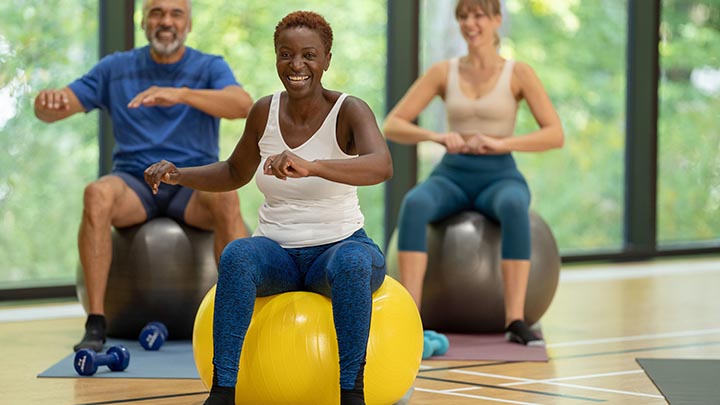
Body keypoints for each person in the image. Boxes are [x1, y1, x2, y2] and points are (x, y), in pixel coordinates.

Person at [145, 10, 392, 405]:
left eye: (309, 55)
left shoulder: (349, 109)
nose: (297, 65)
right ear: (276, 57)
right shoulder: (264, 111)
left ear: (327, 59)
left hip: (340, 248)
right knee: (239, 253)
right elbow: (232, 172)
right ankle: (222, 391)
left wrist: (311, 165)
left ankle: (352, 394)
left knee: (352, 264)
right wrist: (178, 175)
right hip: (278, 254)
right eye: (286, 54)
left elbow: (382, 165)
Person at [33, 0, 253, 352]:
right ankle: (95, 324)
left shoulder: (209, 66)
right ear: (143, 22)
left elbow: (243, 105)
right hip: (135, 183)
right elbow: (60, 107)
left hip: (189, 180)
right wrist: (47, 105)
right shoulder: (115, 68)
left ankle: (240, 321)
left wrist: (180, 94)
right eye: (156, 13)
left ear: (189, 24)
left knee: (227, 193)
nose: (166, 21)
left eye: (175, 13)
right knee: (96, 194)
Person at [383, 0, 564, 346]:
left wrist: (501, 143)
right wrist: (435, 136)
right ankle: (411, 317)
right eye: (464, 16)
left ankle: (515, 319)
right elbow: (393, 124)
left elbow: (554, 134)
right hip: (452, 174)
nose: (471, 23)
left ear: (496, 20)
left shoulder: (518, 73)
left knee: (514, 207)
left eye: (479, 15)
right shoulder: (443, 72)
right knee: (415, 203)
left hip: (500, 175)